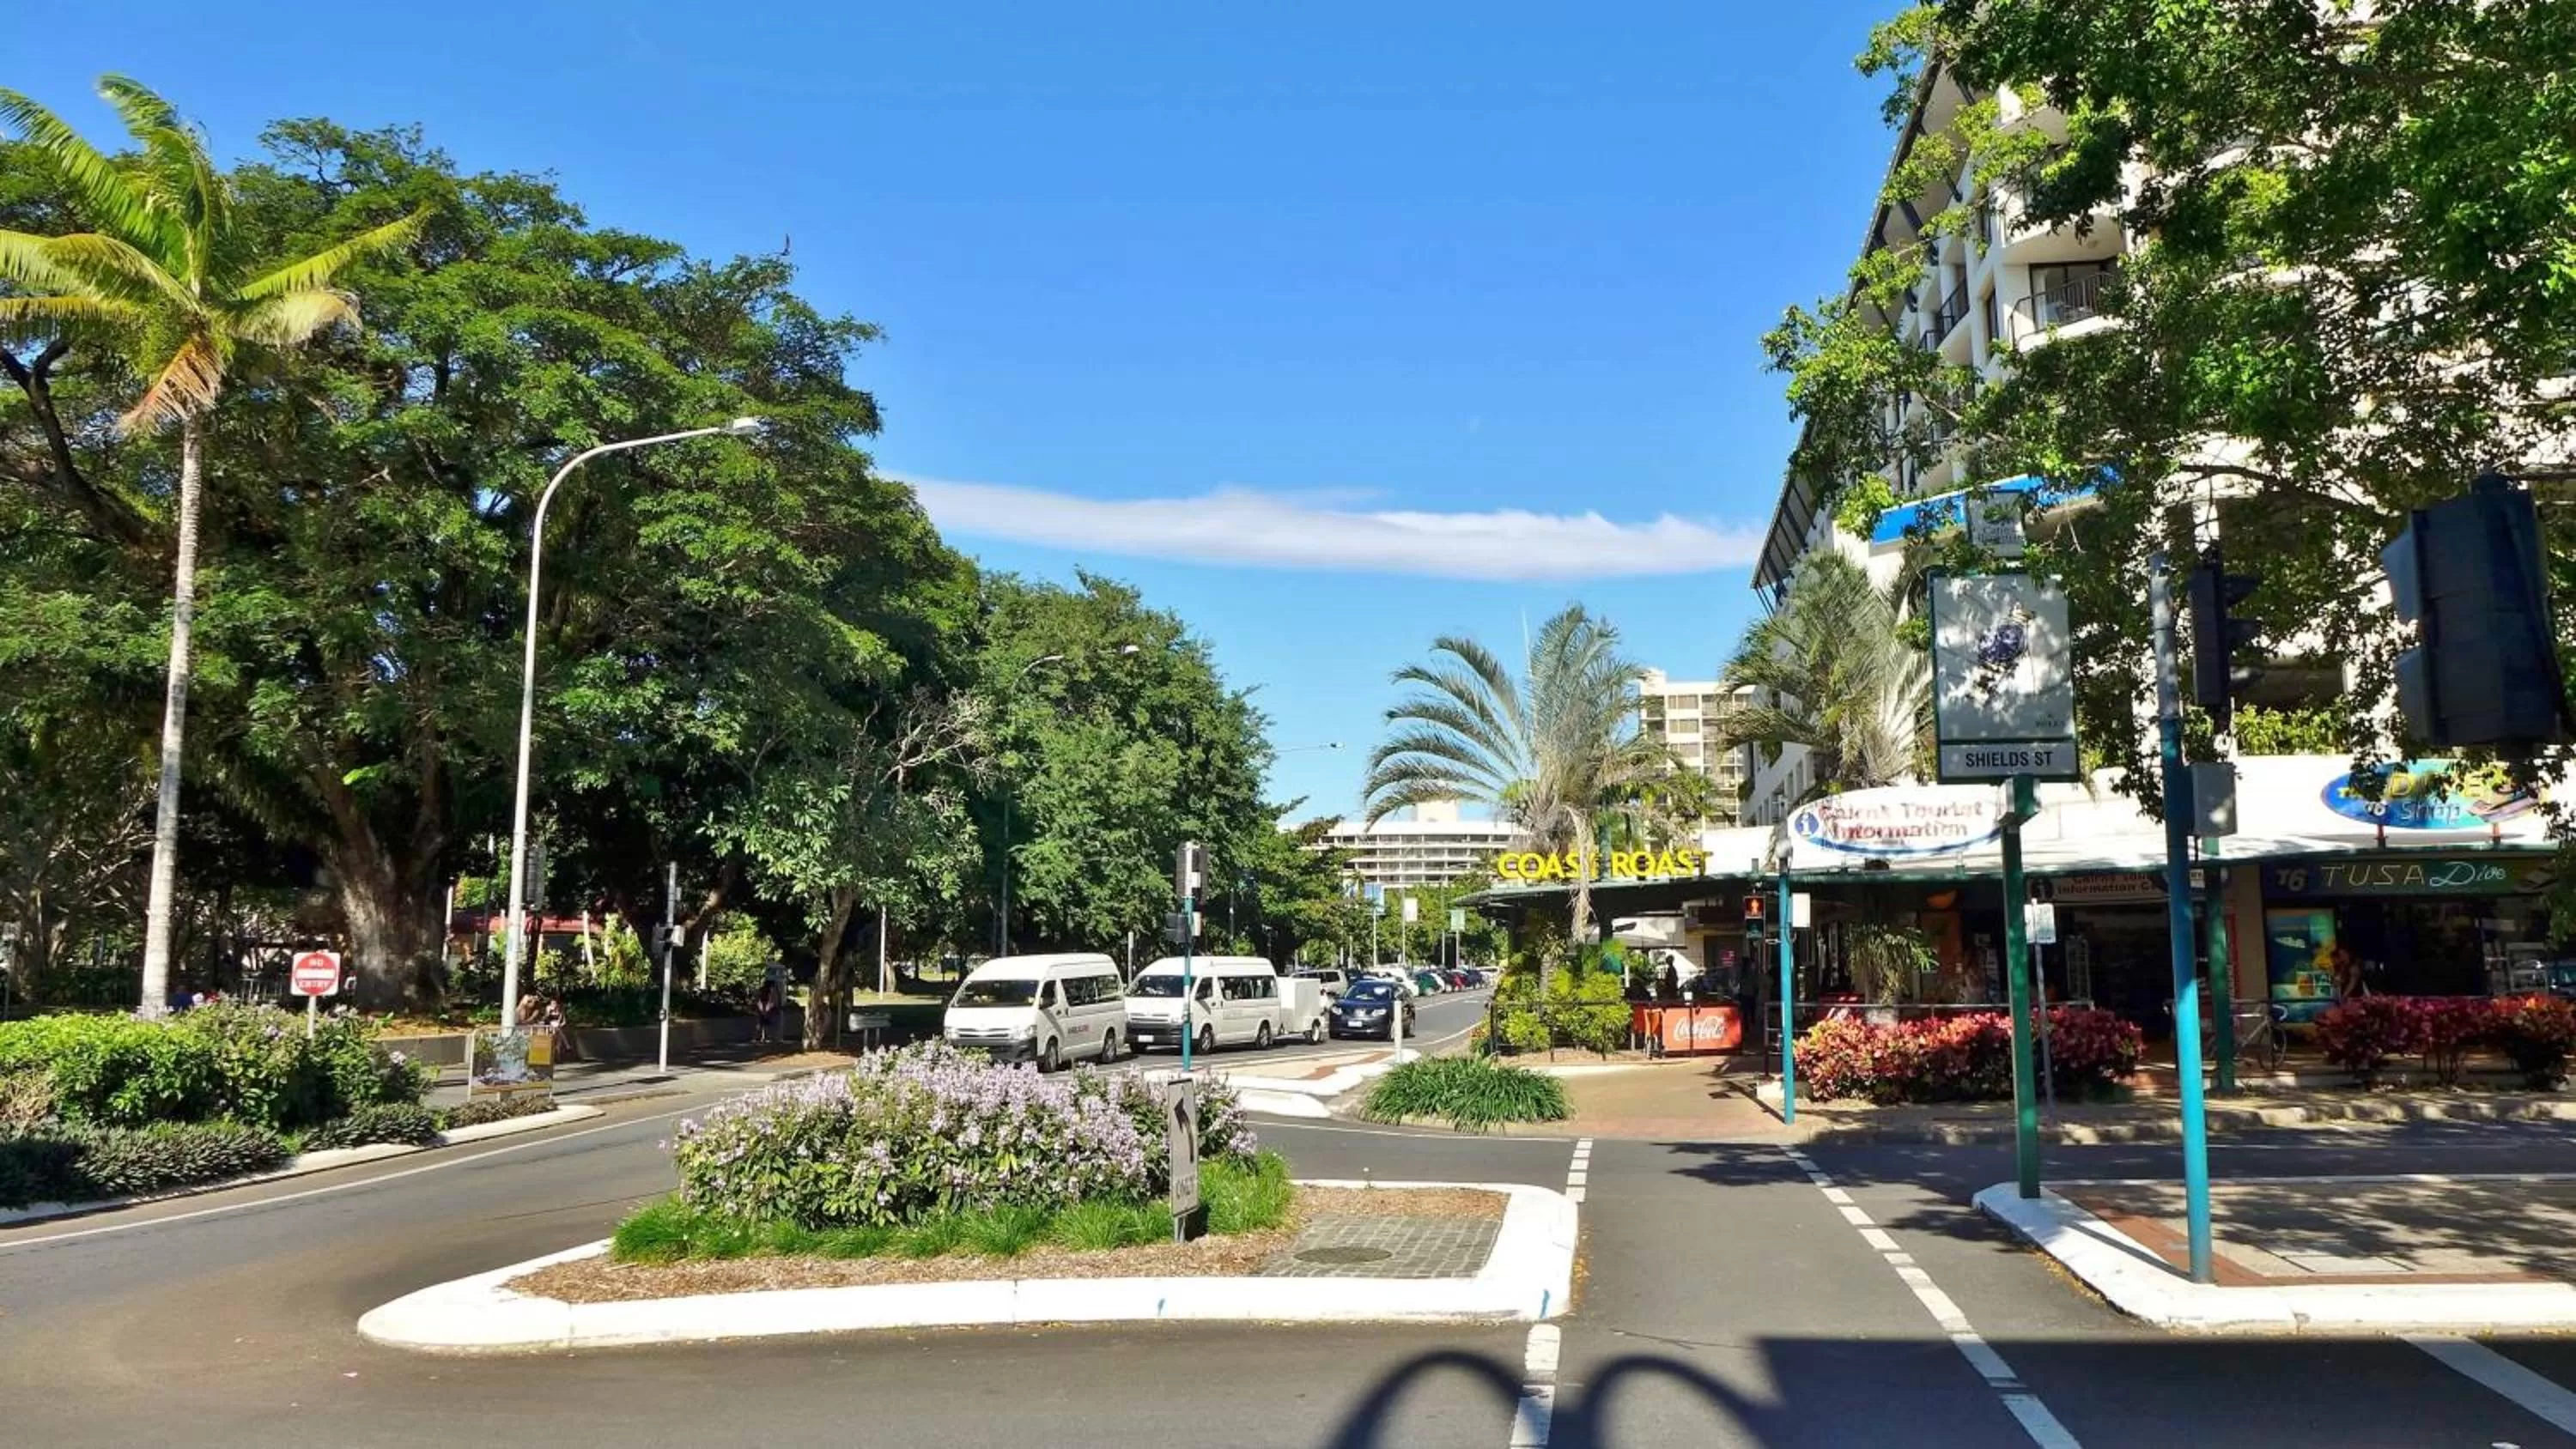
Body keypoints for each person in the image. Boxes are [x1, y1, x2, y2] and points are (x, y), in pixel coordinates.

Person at [755, 976, 782, 1045]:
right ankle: (764, 1037)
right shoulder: (771, 990)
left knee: (762, 1022)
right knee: (765, 1022)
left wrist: (759, 1006)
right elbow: (772, 999)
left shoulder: (762, 989)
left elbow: (758, 998)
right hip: (767, 1006)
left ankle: (761, 1037)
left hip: (762, 1006)